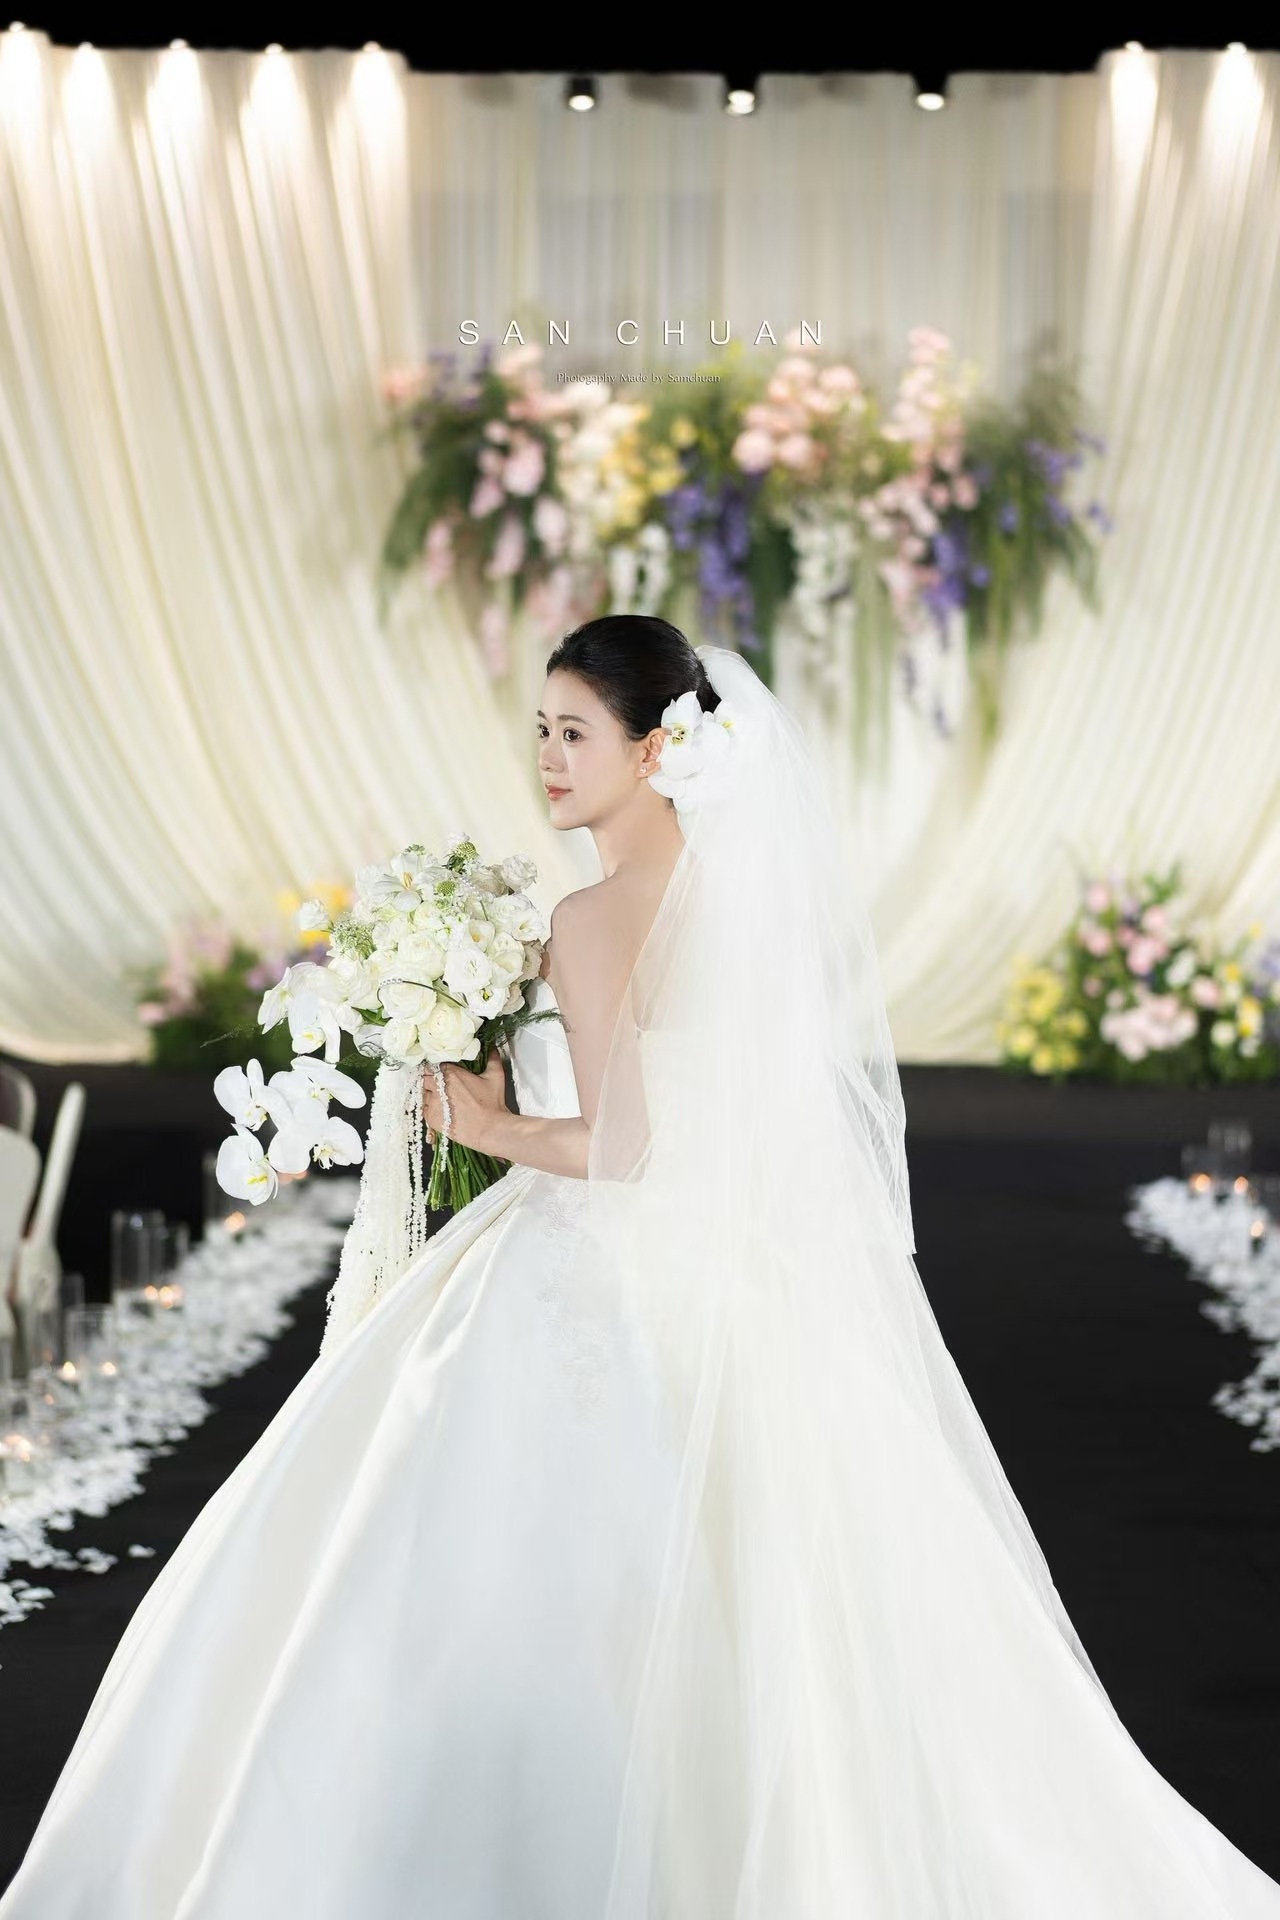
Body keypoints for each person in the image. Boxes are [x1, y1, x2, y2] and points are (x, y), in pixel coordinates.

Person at [2, 614, 1279, 1919]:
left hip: (602, 1260)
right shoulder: (733, 899)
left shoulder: (593, 915)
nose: (550, 760)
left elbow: (622, 1148)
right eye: (542, 731)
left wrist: (488, 1126)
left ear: (656, 750)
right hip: (740, 1269)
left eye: (577, 733)